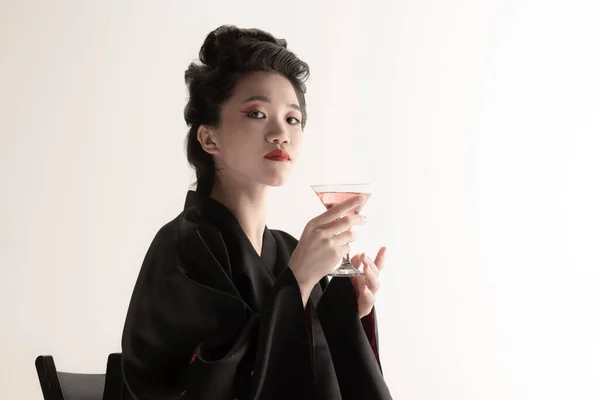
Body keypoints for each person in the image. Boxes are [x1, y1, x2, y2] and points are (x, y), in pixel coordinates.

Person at [121, 25, 392, 400]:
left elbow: (321, 376)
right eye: (256, 114)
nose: (281, 133)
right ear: (209, 138)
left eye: (293, 119)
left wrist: (349, 314)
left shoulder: (287, 249)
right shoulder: (183, 248)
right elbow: (210, 385)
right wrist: (296, 282)